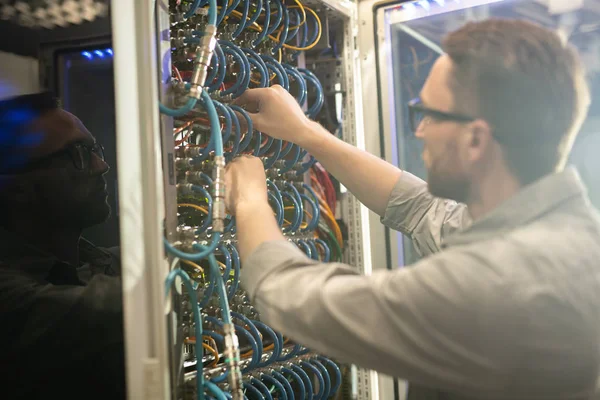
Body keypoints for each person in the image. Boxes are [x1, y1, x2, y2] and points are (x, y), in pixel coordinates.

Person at [225, 18, 600, 399]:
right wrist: (306, 133)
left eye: (429, 115)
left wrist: (250, 197)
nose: (419, 131)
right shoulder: (569, 238)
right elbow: (422, 209)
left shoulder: (498, 286)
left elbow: (293, 299)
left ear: (475, 139)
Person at [0, 92, 125, 399]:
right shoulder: (11, 297)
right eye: (78, 155)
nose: (102, 166)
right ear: (16, 188)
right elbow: (113, 309)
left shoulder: (98, 262)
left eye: (95, 149)